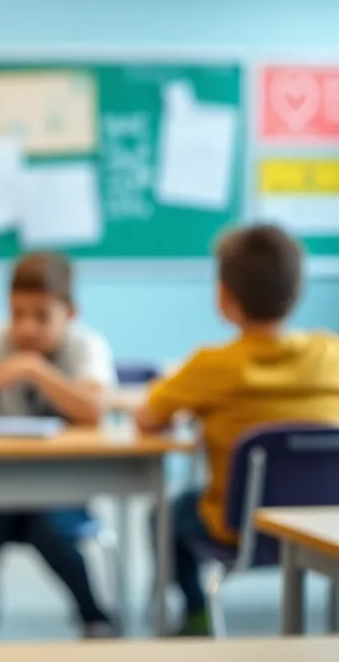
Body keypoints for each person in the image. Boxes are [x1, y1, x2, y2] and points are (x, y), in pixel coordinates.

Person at [135, 225, 339, 636]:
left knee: (164, 516)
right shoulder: (329, 352)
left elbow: (147, 417)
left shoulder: (212, 366)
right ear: (297, 292)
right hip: (323, 521)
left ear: (224, 297)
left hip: (238, 527)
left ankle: (195, 615)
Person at [0, 252, 116, 639]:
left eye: (41, 316)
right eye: (17, 314)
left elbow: (94, 409)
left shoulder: (85, 346)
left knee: (42, 523)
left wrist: (37, 370)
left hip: (65, 489)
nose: (27, 327)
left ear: (71, 313)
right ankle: (94, 617)